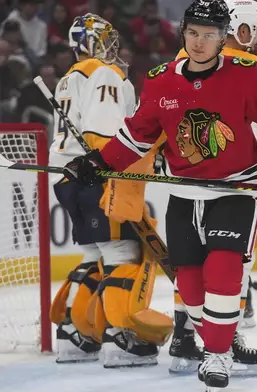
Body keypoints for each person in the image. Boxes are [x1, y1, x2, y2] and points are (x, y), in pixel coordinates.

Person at [64, 0, 257, 390]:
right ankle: (211, 339)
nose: (200, 42)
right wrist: (97, 161)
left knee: (224, 269)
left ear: (224, 38)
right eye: (193, 33)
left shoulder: (249, 74)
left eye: (209, 35)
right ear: (183, 33)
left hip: (235, 190)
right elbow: (137, 136)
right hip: (186, 195)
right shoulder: (162, 79)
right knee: (188, 284)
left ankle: (218, 355)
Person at [47, 14, 171, 369]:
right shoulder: (106, 74)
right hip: (98, 176)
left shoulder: (69, 78)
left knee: (93, 256)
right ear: (89, 44)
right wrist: (136, 160)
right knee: (124, 254)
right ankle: (121, 337)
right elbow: (106, 134)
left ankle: (76, 333)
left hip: (67, 178)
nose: (112, 50)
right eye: (105, 42)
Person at [168, 0, 257, 377]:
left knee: (193, 263)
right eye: (253, 30)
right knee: (231, 265)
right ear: (239, 28)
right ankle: (225, 341)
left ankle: (184, 334)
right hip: (237, 185)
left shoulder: (185, 59)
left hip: (187, 183)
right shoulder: (251, 68)